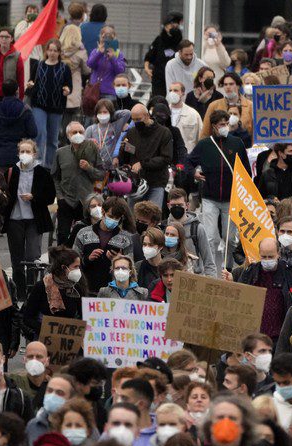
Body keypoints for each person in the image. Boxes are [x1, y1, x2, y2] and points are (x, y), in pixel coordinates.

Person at [186, 109, 250, 275]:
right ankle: (212, 270)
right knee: (210, 237)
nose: (225, 127)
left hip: (231, 199)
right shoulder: (204, 145)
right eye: (222, 124)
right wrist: (193, 173)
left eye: (227, 124)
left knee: (229, 238)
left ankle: (227, 268)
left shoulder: (237, 143)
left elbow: (246, 171)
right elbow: (188, 162)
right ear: (214, 126)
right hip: (209, 198)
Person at [4, 139, 56, 297]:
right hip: (14, 219)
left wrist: (34, 197)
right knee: (17, 258)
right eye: (22, 151)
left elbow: (50, 196)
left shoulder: (42, 172)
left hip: (35, 220)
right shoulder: (11, 171)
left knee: (33, 257)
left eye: (28, 151)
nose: (24, 154)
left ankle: (32, 291)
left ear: (34, 154)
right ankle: (19, 292)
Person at [53, 121, 104, 244]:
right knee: (63, 235)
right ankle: (62, 260)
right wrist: (60, 196)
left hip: (85, 201)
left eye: (80, 132)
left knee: (86, 234)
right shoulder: (60, 153)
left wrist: (89, 168)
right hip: (66, 200)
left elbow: (101, 174)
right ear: (68, 135)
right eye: (74, 132)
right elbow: (55, 177)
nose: (78, 134)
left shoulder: (92, 149)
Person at [26, 39, 73, 168]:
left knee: (53, 139)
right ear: (46, 51)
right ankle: (38, 162)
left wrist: (67, 90)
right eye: (50, 50)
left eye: (55, 51)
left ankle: (50, 165)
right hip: (39, 105)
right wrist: (30, 84)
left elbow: (69, 86)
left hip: (56, 107)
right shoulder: (39, 65)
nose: (52, 53)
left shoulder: (64, 68)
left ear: (59, 53)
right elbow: (32, 80)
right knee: (40, 133)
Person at [117, 104, 173, 206]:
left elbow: (166, 158)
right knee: (133, 218)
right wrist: (123, 150)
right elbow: (127, 157)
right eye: (133, 120)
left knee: (153, 216)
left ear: (147, 116)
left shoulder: (164, 132)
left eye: (138, 119)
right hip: (136, 183)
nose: (136, 122)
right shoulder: (131, 133)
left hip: (156, 182)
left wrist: (142, 164)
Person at [0, 79, 37, 171]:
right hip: (21, 156)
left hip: (0, 156)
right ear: (17, 91)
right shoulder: (26, 110)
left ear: (2, 92)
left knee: (3, 183)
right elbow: (33, 132)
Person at [144, 12, 183, 98]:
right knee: (158, 100)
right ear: (165, 26)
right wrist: (147, 69)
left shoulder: (180, 42)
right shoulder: (159, 40)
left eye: (175, 25)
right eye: (170, 24)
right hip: (159, 78)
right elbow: (149, 56)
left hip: (175, 78)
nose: (173, 27)